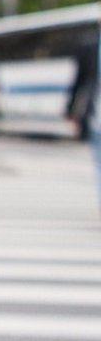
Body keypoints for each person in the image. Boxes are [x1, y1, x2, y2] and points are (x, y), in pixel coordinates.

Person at [67, 36, 101, 215]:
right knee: (99, 163)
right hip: (96, 118)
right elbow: (79, 81)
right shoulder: (90, 47)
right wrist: (71, 109)